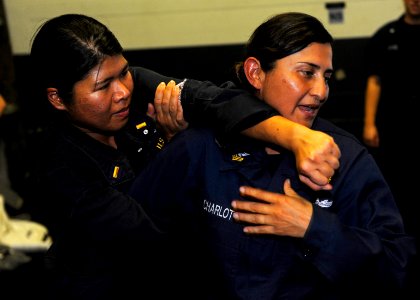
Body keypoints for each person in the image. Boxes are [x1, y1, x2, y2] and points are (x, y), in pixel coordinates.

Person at [27, 13, 341, 300]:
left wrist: (297, 137)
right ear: (58, 99)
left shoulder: (132, 94)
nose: (122, 91)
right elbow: (150, 238)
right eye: (103, 85)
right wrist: (176, 143)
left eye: (123, 73)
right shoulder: (61, 165)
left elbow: (215, 101)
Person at [130, 12, 416, 299]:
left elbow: (396, 267)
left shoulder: (345, 157)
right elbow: (140, 234)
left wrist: (315, 227)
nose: (321, 91)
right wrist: (166, 147)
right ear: (256, 73)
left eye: (326, 77)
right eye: (306, 72)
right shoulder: (202, 144)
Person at [362, 0, 420, 290]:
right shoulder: (386, 36)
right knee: (398, 185)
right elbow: (375, 81)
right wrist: (369, 123)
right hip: (395, 129)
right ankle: (400, 241)